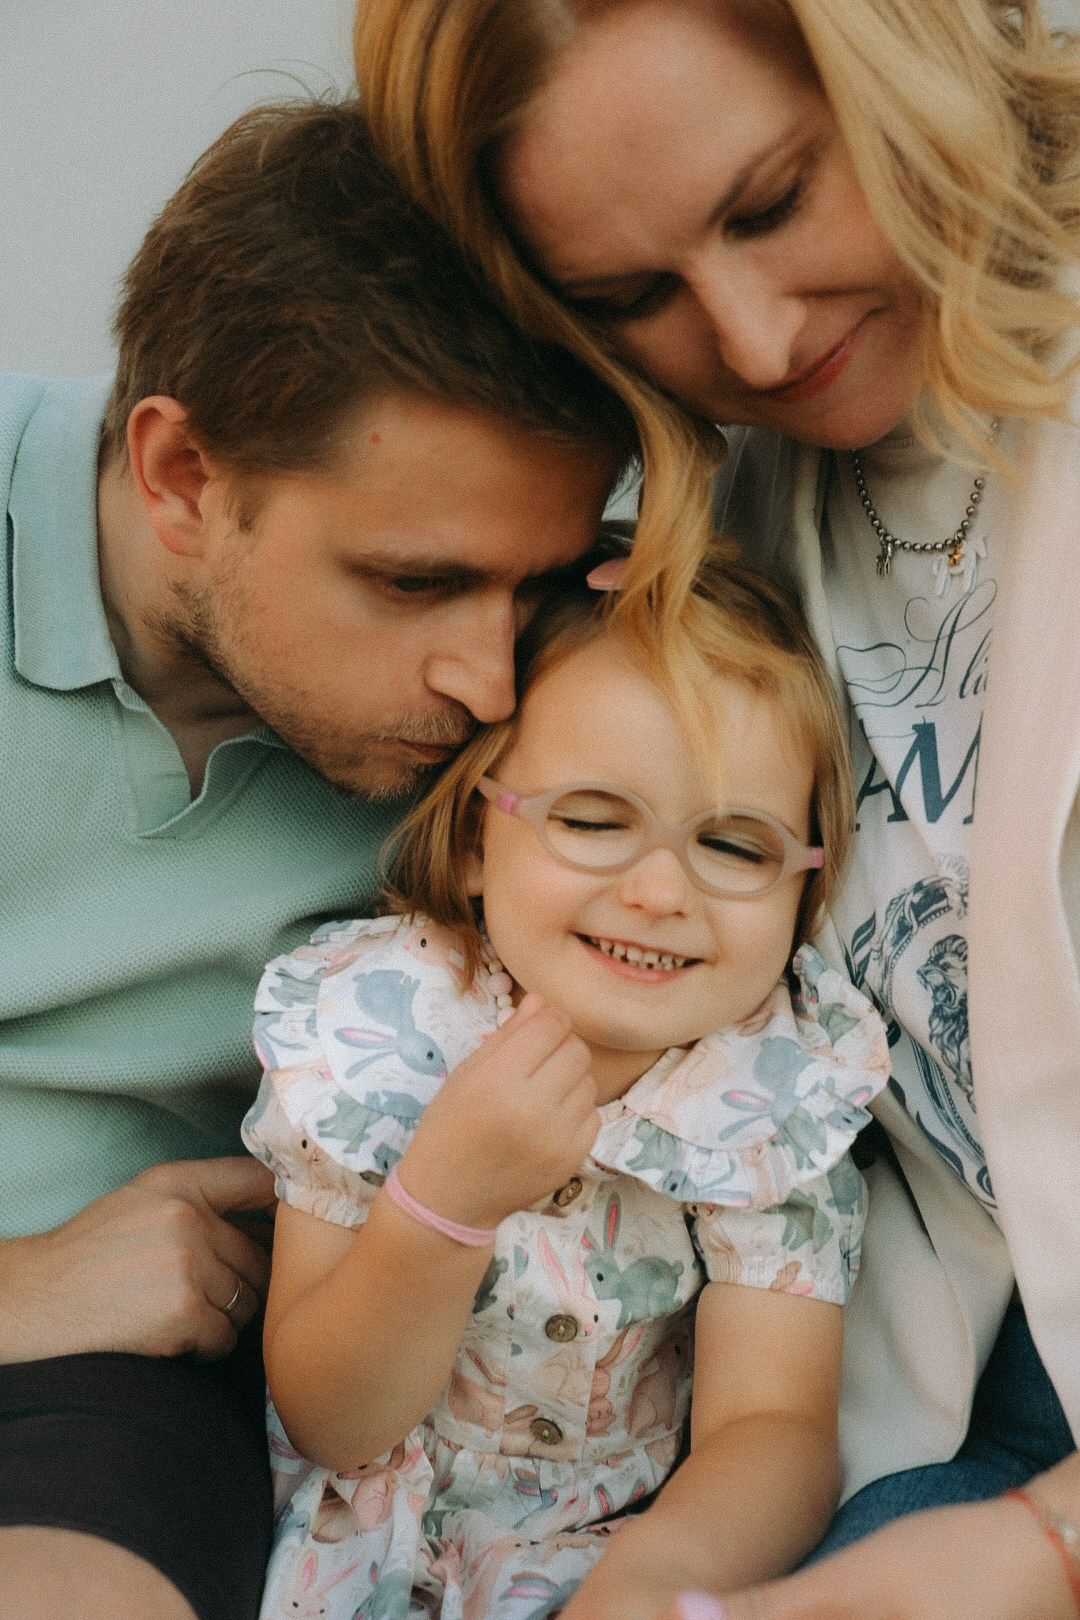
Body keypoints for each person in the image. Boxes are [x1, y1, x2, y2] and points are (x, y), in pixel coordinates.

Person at [350, 1, 1080, 1616]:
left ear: (912, 56)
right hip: (948, 1404)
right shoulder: (744, 511)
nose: (753, 342)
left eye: (770, 203)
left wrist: (1042, 1551)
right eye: (636, 299)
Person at [0, 98, 637, 1620]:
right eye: (416, 582)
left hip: (124, 1374)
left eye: (537, 580)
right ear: (179, 476)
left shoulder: (541, 730)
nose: (490, 682)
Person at [242, 547, 890, 1620]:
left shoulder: (772, 1097)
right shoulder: (379, 1034)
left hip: (625, 1549)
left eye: (734, 845)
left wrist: (650, 1582)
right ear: (476, 840)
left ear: (805, 882)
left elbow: (770, 1432)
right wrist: (440, 1201)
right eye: (593, 820)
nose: (657, 889)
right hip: (360, 1552)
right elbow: (330, 1416)